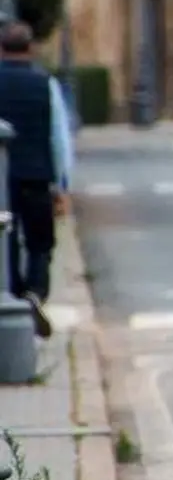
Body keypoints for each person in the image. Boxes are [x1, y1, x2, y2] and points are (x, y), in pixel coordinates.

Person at [0, 21, 75, 339]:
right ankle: (35, 292)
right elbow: (59, 139)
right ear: (30, 48)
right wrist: (62, 184)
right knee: (40, 242)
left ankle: (14, 294)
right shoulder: (45, 84)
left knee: (6, 239)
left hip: (2, 180)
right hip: (37, 175)